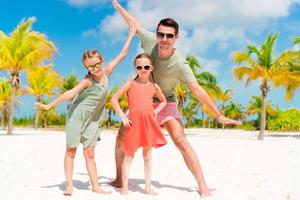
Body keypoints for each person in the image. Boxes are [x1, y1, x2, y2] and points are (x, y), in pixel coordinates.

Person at [110, 0, 241, 197]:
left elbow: (197, 90)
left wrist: (217, 114)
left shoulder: (180, 63)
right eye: (161, 34)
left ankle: (202, 186)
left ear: (176, 38)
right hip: (142, 101)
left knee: (181, 140)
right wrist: (117, 5)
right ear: (156, 34)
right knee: (121, 137)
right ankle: (120, 178)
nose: (164, 38)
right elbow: (134, 24)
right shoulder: (149, 42)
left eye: (169, 36)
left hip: (167, 102)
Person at [35, 23, 136, 196]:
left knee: (89, 152)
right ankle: (69, 186)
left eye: (97, 64)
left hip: (94, 118)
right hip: (77, 115)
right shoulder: (88, 80)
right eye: (90, 67)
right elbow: (70, 94)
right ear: (86, 68)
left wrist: (131, 34)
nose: (95, 69)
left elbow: (123, 54)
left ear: (102, 61)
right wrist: (48, 106)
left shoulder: (107, 72)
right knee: (71, 150)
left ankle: (95, 186)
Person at [111, 53, 167, 195]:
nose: (143, 69)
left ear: (151, 68)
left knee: (147, 156)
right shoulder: (130, 84)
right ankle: (124, 188)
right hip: (133, 123)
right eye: (139, 67)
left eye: (146, 67)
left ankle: (147, 187)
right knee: (129, 155)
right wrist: (123, 116)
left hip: (149, 123)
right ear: (135, 68)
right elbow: (114, 99)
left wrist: (155, 112)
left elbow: (164, 101)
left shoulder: (154, 86)